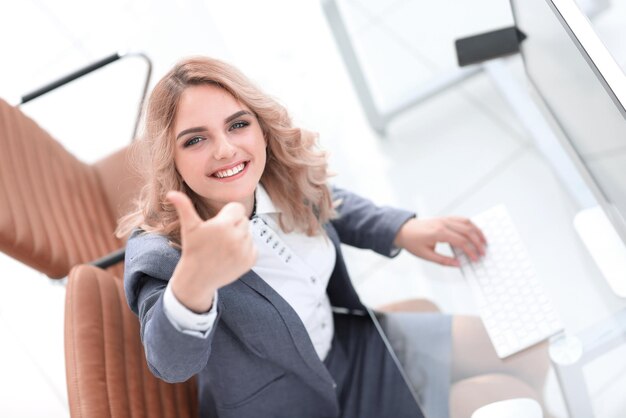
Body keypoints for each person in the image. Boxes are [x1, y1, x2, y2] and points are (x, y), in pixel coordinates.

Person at [117, 56, 549, 418]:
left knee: (527, 352)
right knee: (506, 398)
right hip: (293, 405)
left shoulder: (273, 177)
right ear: (168, 156)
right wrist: (196, 279)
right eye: (195, 140)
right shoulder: (160, 251)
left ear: (260, 126)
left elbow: (325, 200)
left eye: (237, 125)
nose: (226, 149)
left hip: (349, 348)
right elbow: (170, 361)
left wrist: (399, 228)